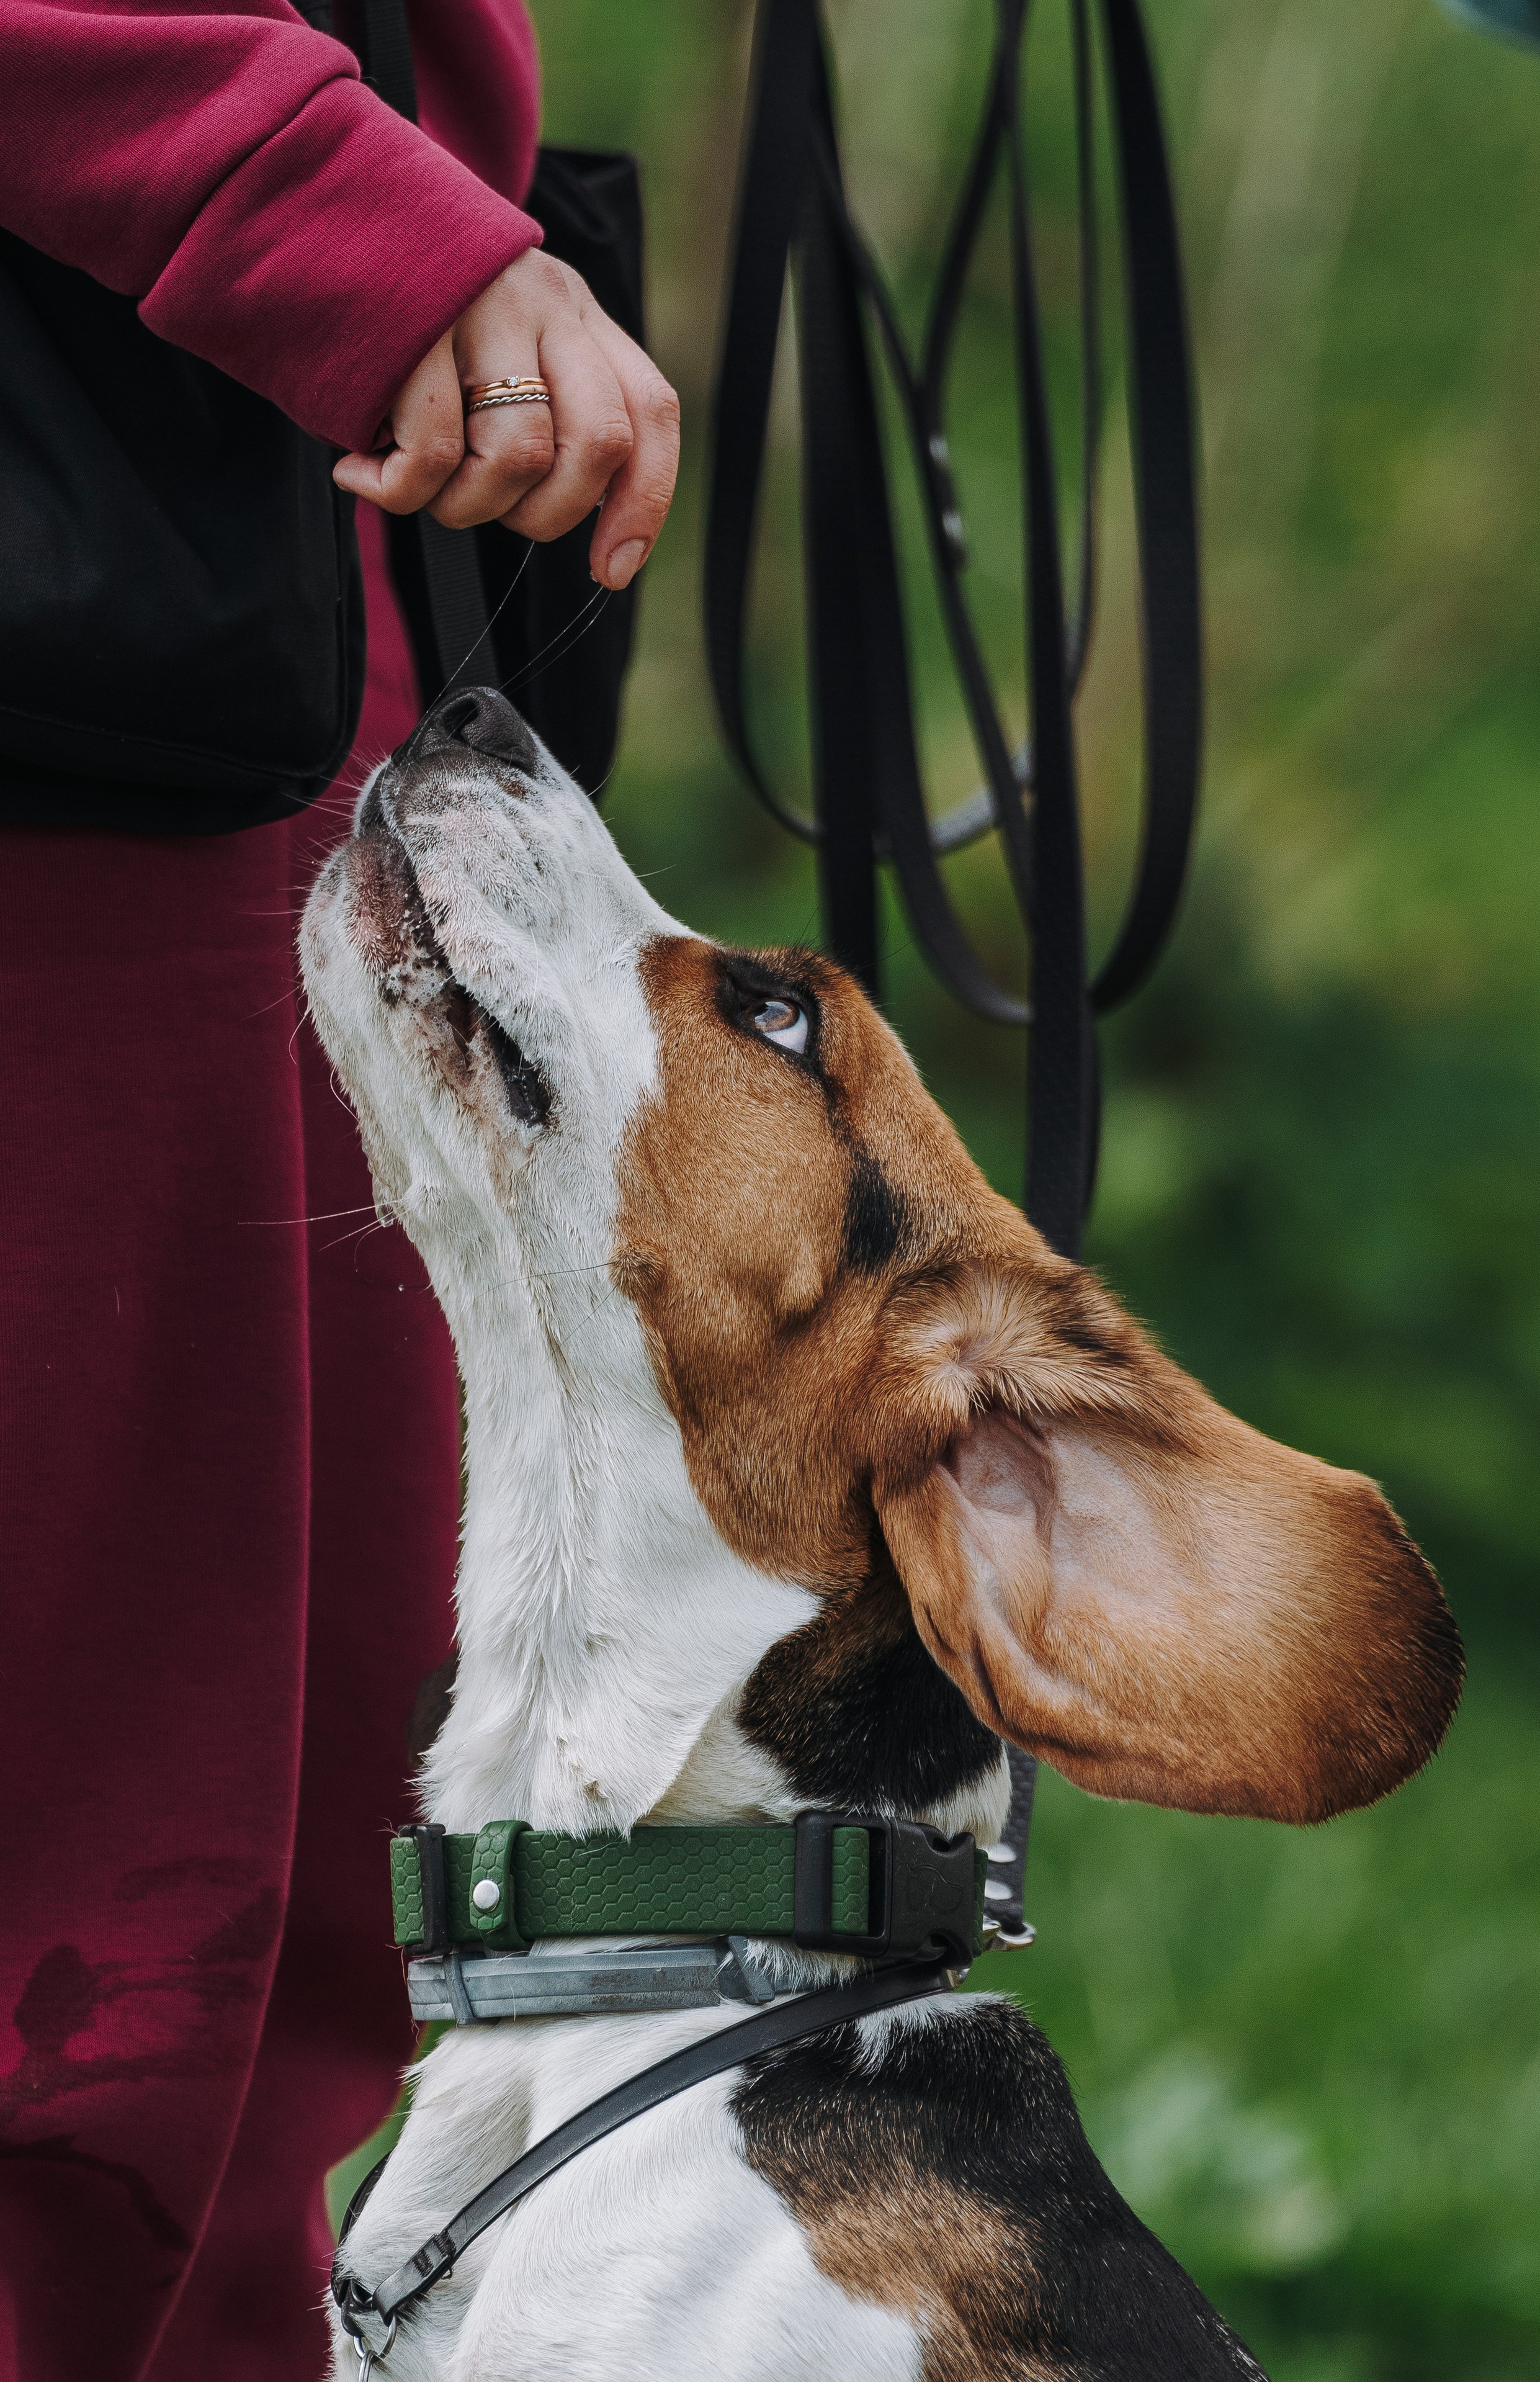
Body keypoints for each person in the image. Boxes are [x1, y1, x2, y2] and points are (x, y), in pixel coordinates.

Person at [0, 3, 679, 2376]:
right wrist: (326, 198)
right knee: (73, 1904)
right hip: (84, 622)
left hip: (282, 581)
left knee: (278, 1887)